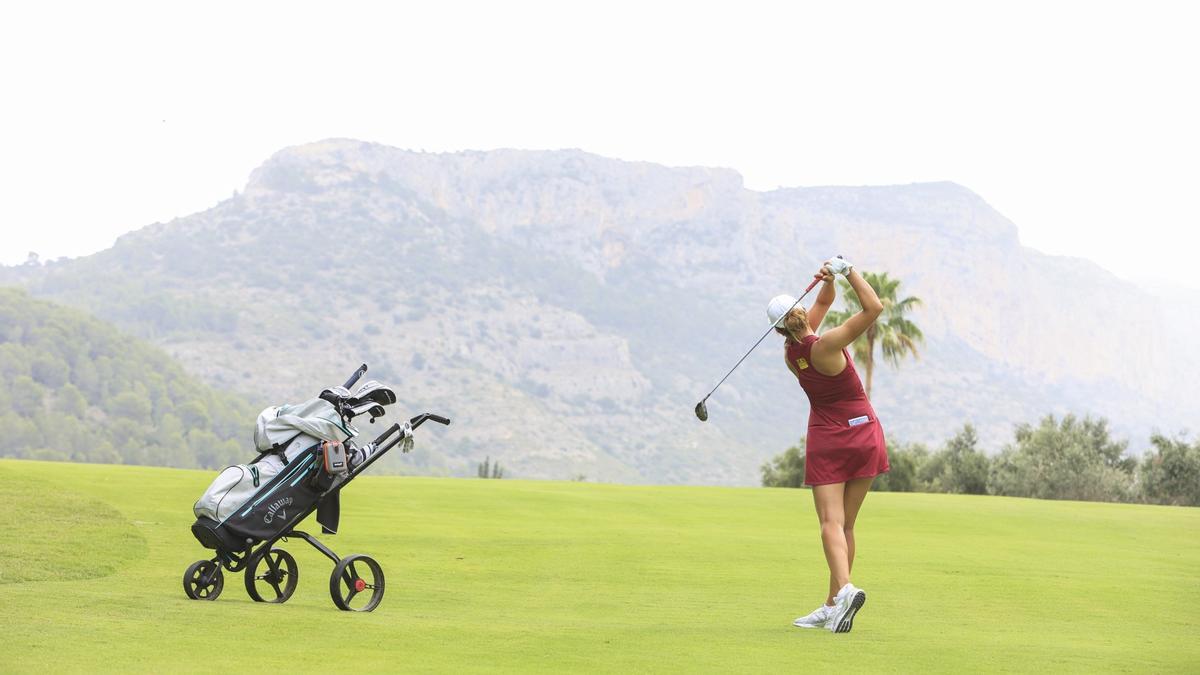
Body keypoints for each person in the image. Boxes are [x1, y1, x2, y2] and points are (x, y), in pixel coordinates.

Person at [769, 256, 889, 634]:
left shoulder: (793, 356)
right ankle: (833, 603)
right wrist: (848, 270)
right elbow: (874, 307)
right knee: (846, 525)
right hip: (866, 434)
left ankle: (844, 593)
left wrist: (828, 282)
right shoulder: (829, 344)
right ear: (800, 313)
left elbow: (821, 306)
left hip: (828, 439)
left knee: (830, 523)